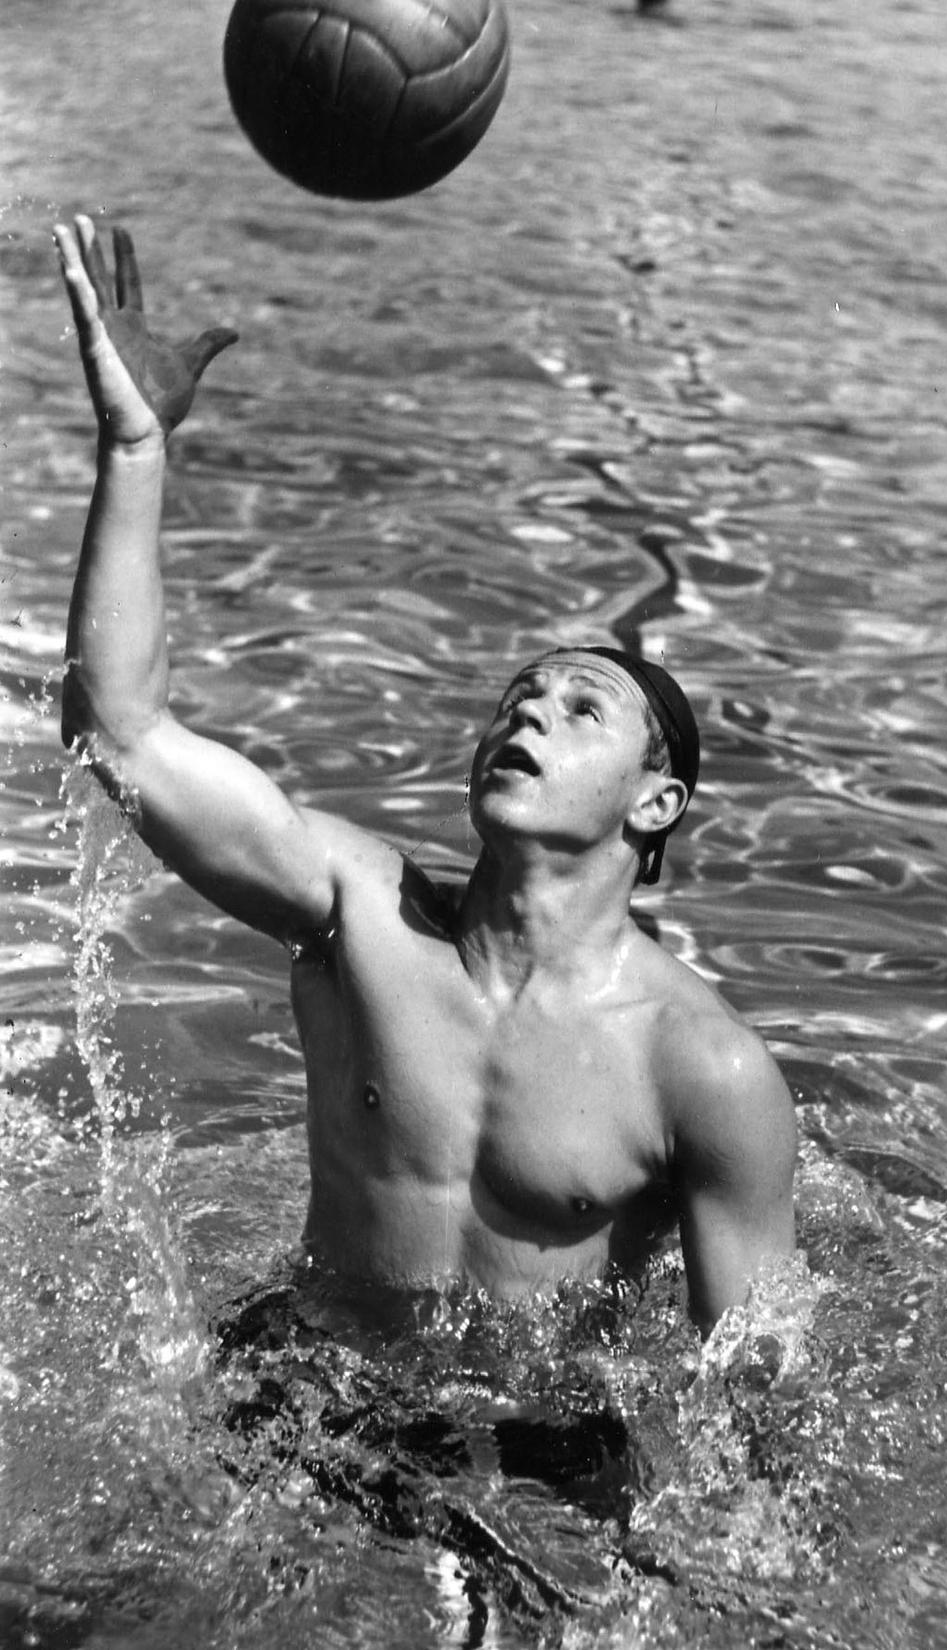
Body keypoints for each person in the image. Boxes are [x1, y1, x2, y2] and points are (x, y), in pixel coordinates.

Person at [53, 214, 797, 1337]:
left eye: (581, 709)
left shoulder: (703, 1069)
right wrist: (133, 453)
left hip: (538, 1425)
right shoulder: (357, 916)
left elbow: (748, 1379)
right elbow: (120, 735)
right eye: (519, 698)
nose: (529, 713)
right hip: (311, 1382)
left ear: (656, 803)